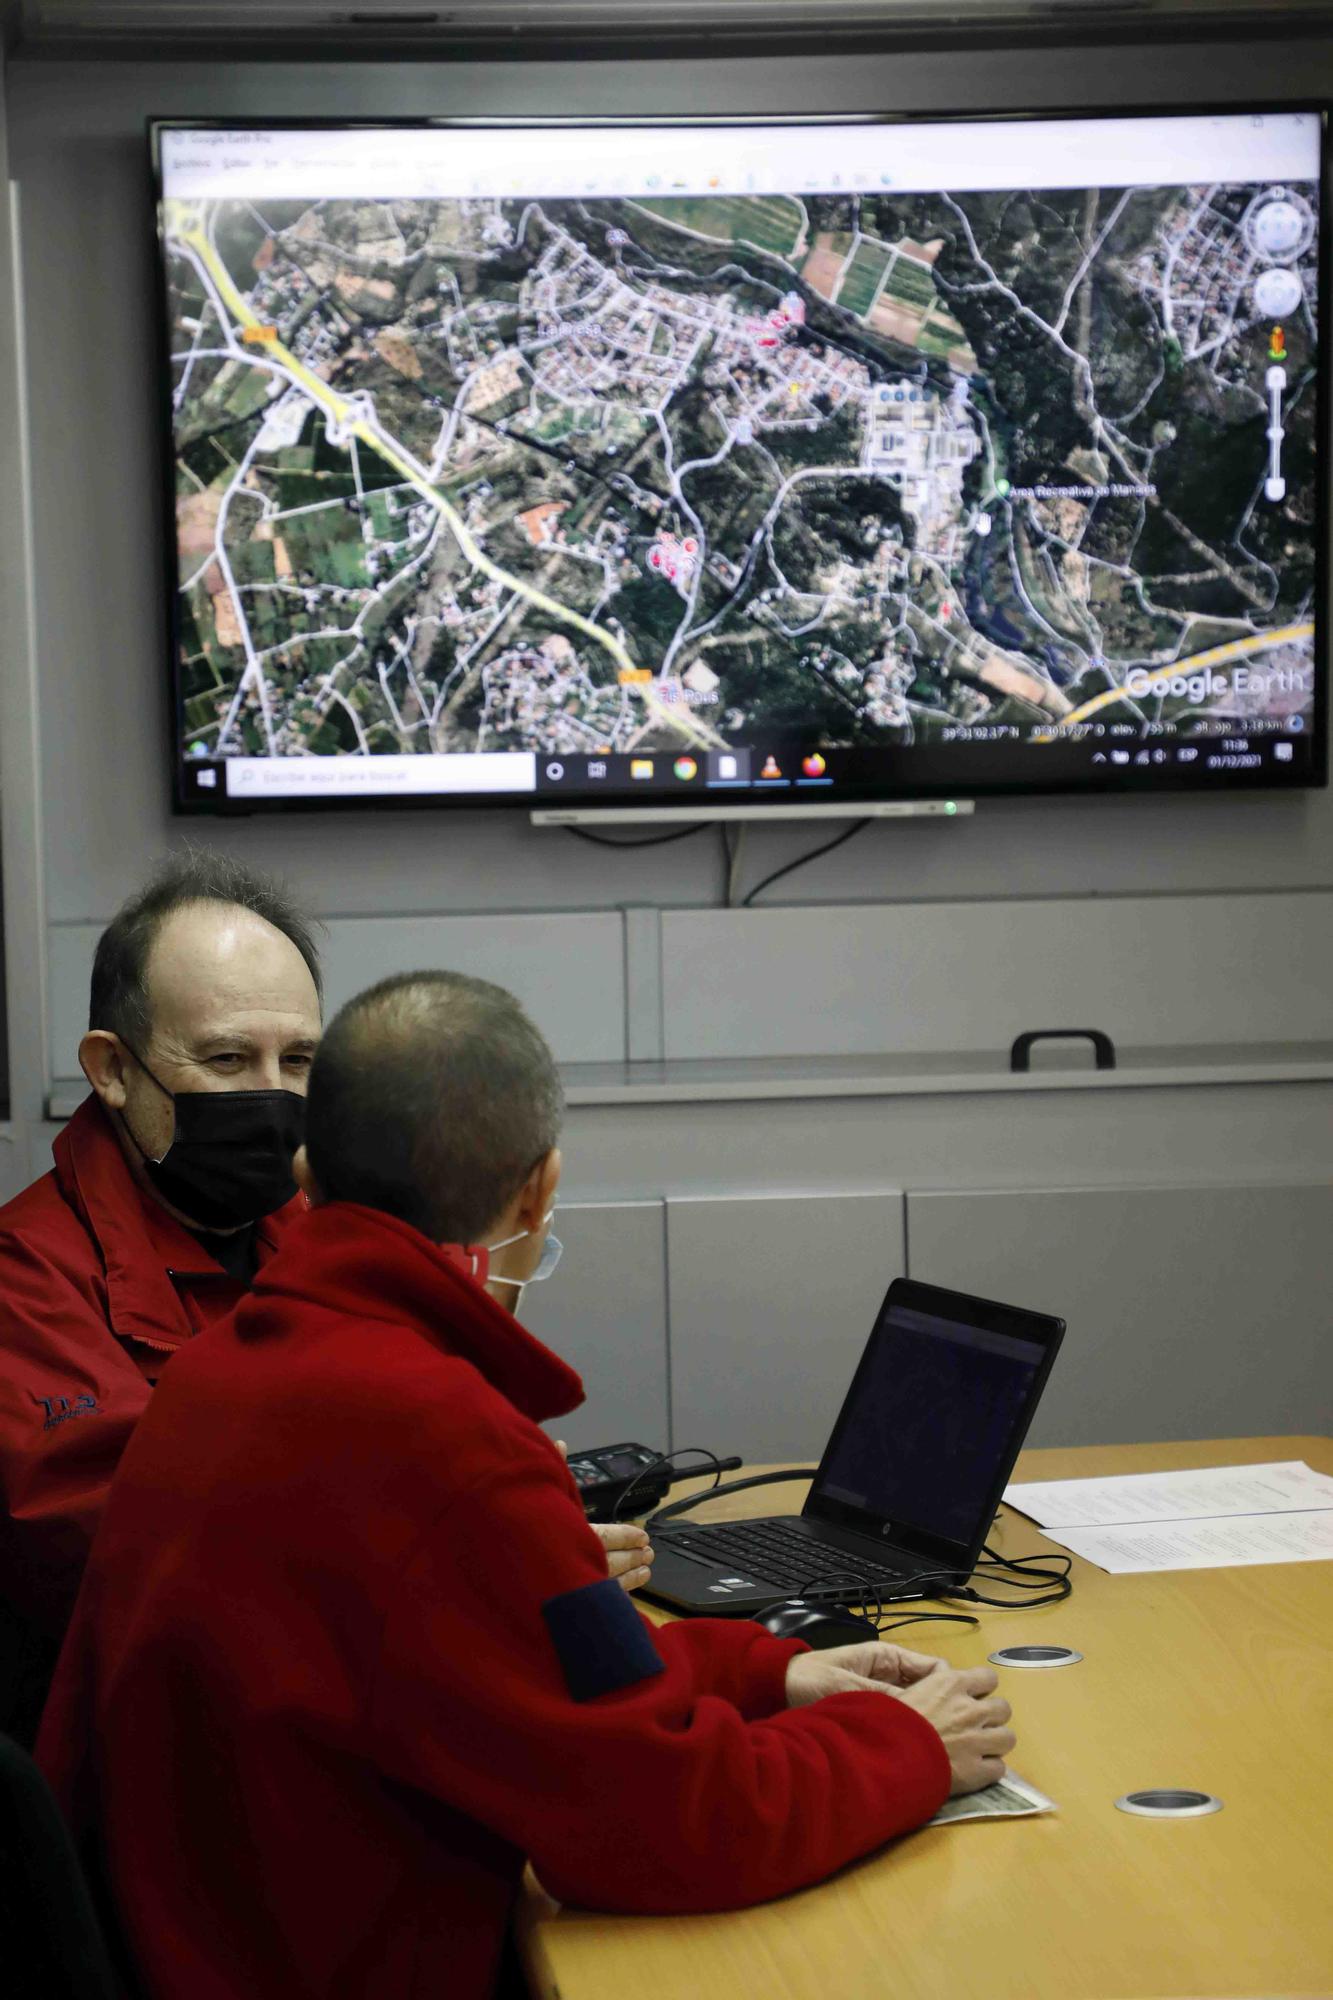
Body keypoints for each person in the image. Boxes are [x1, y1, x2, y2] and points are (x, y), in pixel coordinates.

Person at [38, 970, 1015, 2000]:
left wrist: (766, 1671)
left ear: (305, 1169)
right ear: (538, 1187)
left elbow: (502, 1679)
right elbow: (662, 1829)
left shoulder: (221, 1366)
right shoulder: (445, 1444)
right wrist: (904, 1742)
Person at [0, 855, 651, 1737]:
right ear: (112, 1070)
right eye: (228, 1058)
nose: (272, 1094)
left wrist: (513, 1545)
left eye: (299, 1058)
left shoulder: (315, 1223)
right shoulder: (25, 1279)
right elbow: (138, 1574)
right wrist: (488, 1570)